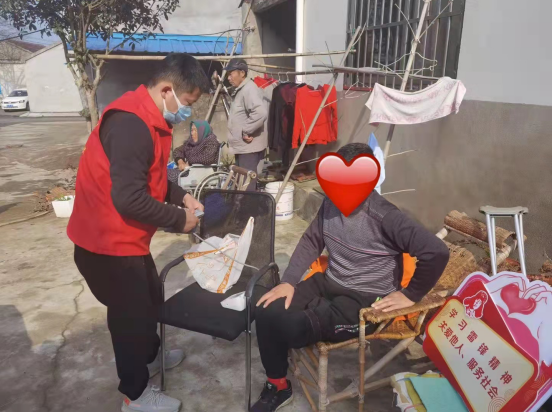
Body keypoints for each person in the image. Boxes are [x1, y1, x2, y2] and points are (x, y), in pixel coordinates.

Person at [250, 143, 450, 412]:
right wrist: (288, 281)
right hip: (329, 282)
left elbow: (436, 251)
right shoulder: (329, 203)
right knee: (266, 309)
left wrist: (410, 294)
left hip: (363, 301)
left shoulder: (386, 216)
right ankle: (278, 386)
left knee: (291, 327)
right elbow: (312, 240)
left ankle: (312, 318)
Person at [67, 53, 211, 412]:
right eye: (187, 102)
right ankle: (135, 395)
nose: (187, 112)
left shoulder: (151, 120)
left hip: (127, 240)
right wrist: (179, 220)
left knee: (149, 298)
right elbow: (129, 198)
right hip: (106, 245)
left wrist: (183, 196)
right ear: (166, 90)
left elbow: (154, 178)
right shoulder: (130, 125)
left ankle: (150, 356)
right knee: (129, 318)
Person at [225, 58, 268, 191]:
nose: (228, 78)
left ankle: (248, 205)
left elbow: (260, 112)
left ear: (242, 73)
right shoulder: (241, 90)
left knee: (247, 186)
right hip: (243, 148)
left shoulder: (249, 89)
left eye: (231, 74)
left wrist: (247, 131)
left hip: (249, 150)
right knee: (242, 185)